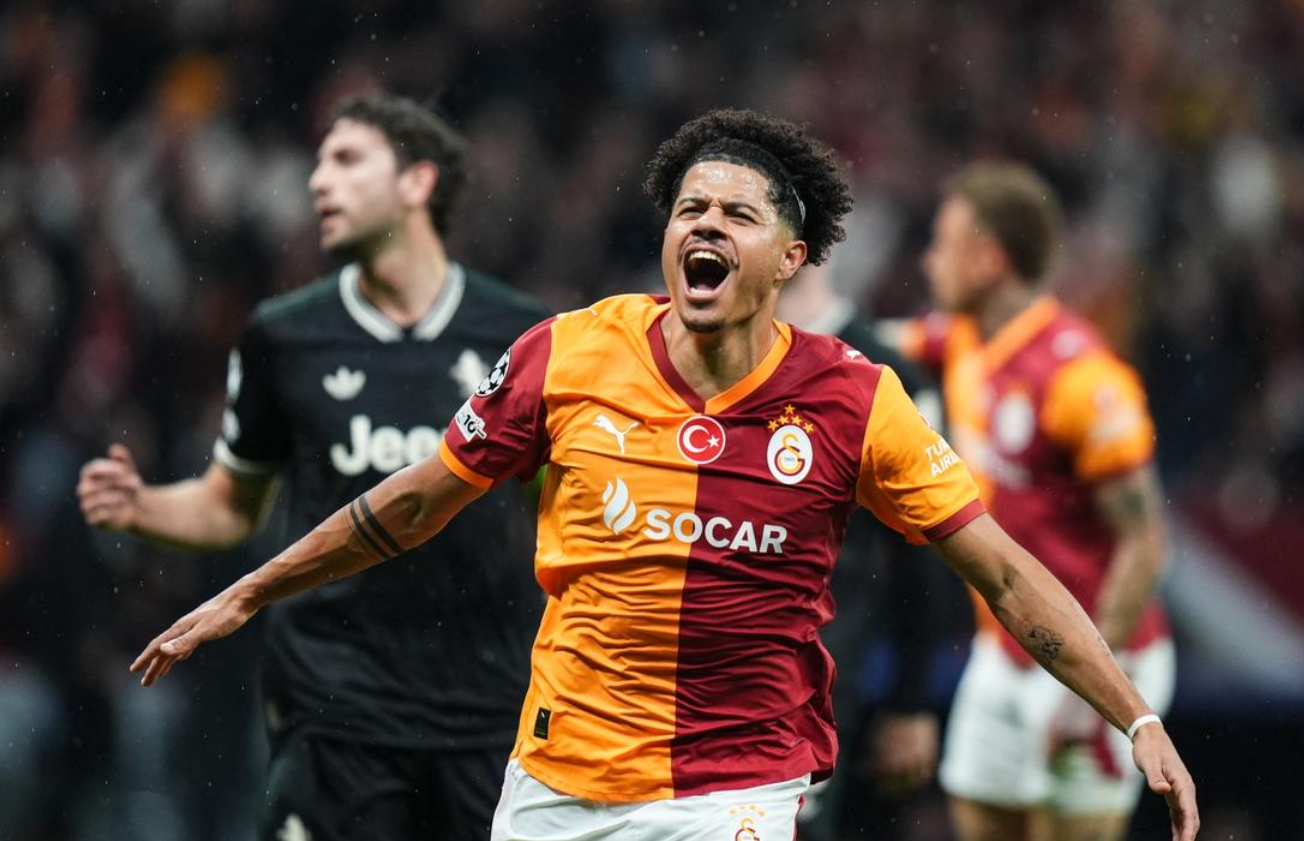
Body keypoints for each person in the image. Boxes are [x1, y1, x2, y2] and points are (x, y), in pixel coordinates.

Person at [125, 109, 1199, 841]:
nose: (705, 224)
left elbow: (1002, 574)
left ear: (790, 258)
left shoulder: (855, 398)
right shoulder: (566, 354)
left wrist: (1134, 715)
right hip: (556, 777)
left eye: (736, 214)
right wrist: (248, 590)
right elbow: (413, 500)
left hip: (733, 787)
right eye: (690, 208)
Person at [77, 94, 550, 841]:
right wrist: (144, 507)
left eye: (348, 160)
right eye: (321, 163)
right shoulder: (283, 337)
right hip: (334, 707)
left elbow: (557, 513)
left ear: (418, 181)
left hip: (489, 706)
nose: (319, 181)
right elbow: (230, 506)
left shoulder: (523, 335)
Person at [903, 162, 1176, 841]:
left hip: (1095, 654)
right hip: (1005, 645)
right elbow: (857, 341)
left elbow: (1145, 540)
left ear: (990, 260)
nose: (928, 260)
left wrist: (1094, 691)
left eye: (943, 244)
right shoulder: (959, 339)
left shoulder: (1082, 379)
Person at [778, 263, 954, 841]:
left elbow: (925, 547)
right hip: (710, 664)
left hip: (818, 671)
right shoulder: (720, 356)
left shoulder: (883, 373)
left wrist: (912, 700)